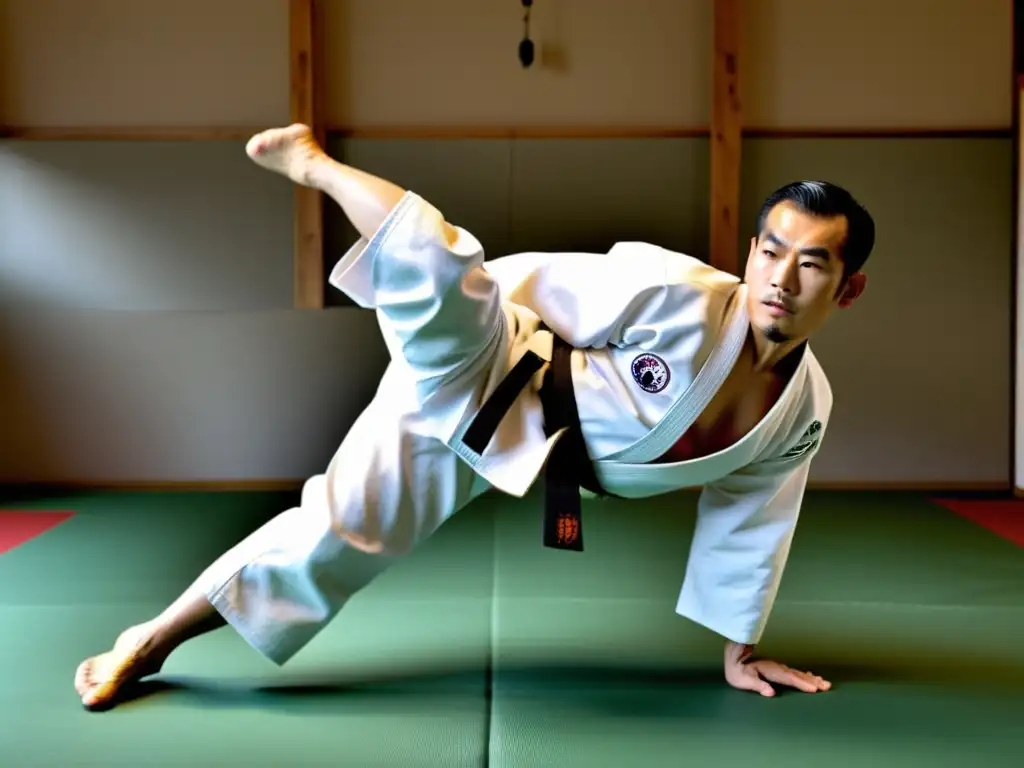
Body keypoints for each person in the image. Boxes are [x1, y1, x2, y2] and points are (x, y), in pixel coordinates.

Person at [74, 123, 873, 710]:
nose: (781, 278)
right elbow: (530, 280)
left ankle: (147, 638)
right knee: (443, 263)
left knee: (335, 536)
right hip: (493, 369)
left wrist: (741, 650)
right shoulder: (682, 297)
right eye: (770, 251)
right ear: (750, 253)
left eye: (811, 263)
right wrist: (464, 319)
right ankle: (315, 164)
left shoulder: (803, 411)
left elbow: (754, 519)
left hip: (526, 454)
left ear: (847, 287)